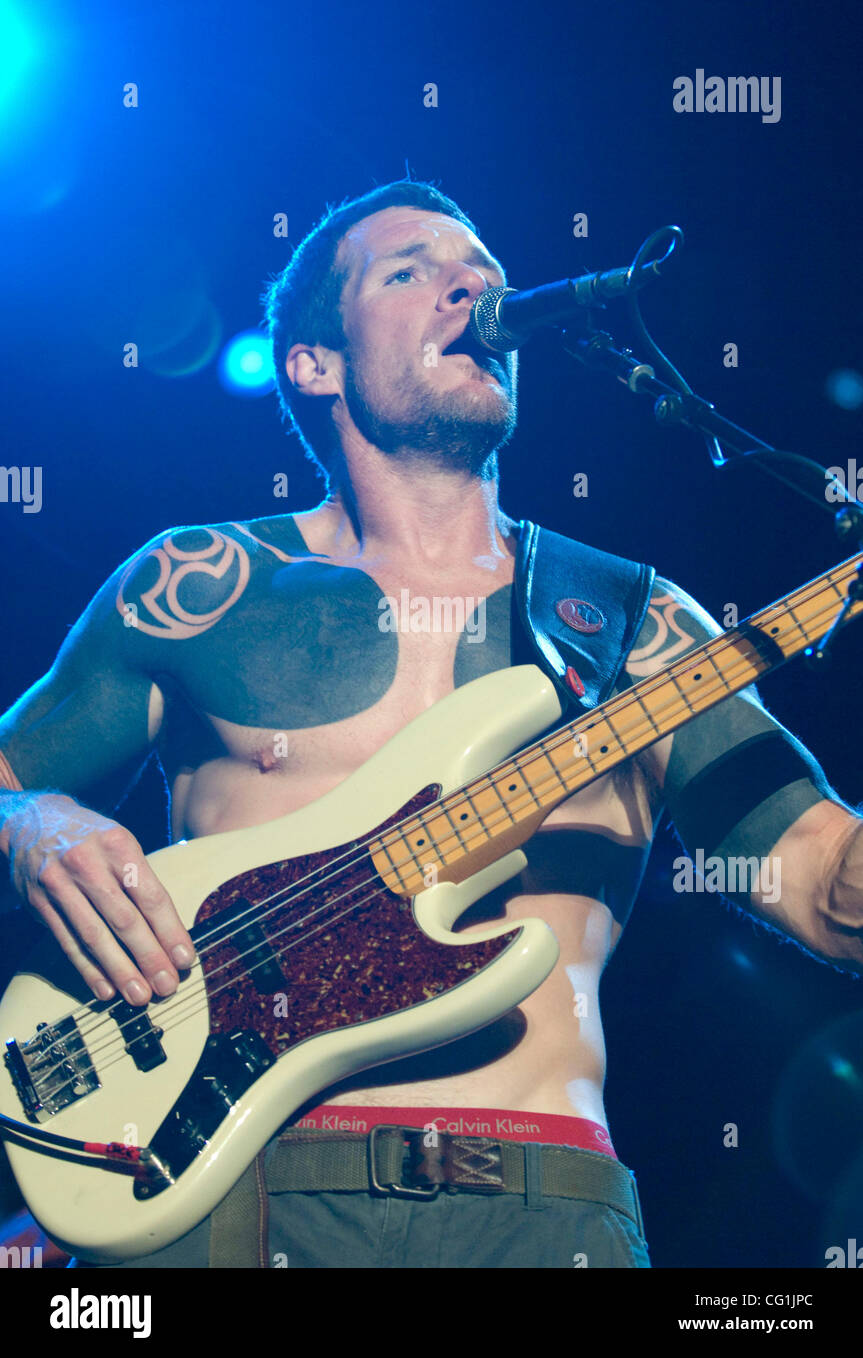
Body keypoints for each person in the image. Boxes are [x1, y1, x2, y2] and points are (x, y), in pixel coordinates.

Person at [0, 181, 860, 1270]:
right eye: (409, 270)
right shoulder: (199, 584)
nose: (473, 285)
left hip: (542, 1207)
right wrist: (33, 819)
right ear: (313, 361)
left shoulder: (637, 623)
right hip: (227, 1193)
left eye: (482, 271)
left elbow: (830, 887)